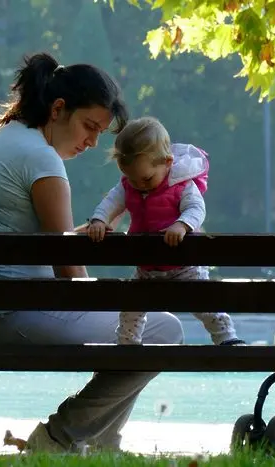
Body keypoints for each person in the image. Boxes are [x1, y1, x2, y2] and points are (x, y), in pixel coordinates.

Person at [0, 52, 185, 454]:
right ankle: (60, 437)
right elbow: (69, 269)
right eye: (88, 127)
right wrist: (109, 299)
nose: (92, 142)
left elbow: (43, 241)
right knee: (163, 330)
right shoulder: (42, 159)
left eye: (99, 133)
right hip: (4, 318)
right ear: (58, 109)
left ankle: (101, 443)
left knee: (132, 326)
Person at [87, 116, 245, 346]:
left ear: (168, 162)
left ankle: (227, 338)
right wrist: (100, 219)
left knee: (205, 303)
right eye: (132, 179)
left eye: (146, 178)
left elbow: (196, 209)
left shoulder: (182, 186)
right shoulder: (129, 186)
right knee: (132, 307)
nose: (139, 185)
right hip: (148, 266)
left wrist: (181, 225)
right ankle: (127, 343)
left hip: (184, 264)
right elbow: (110, 202)